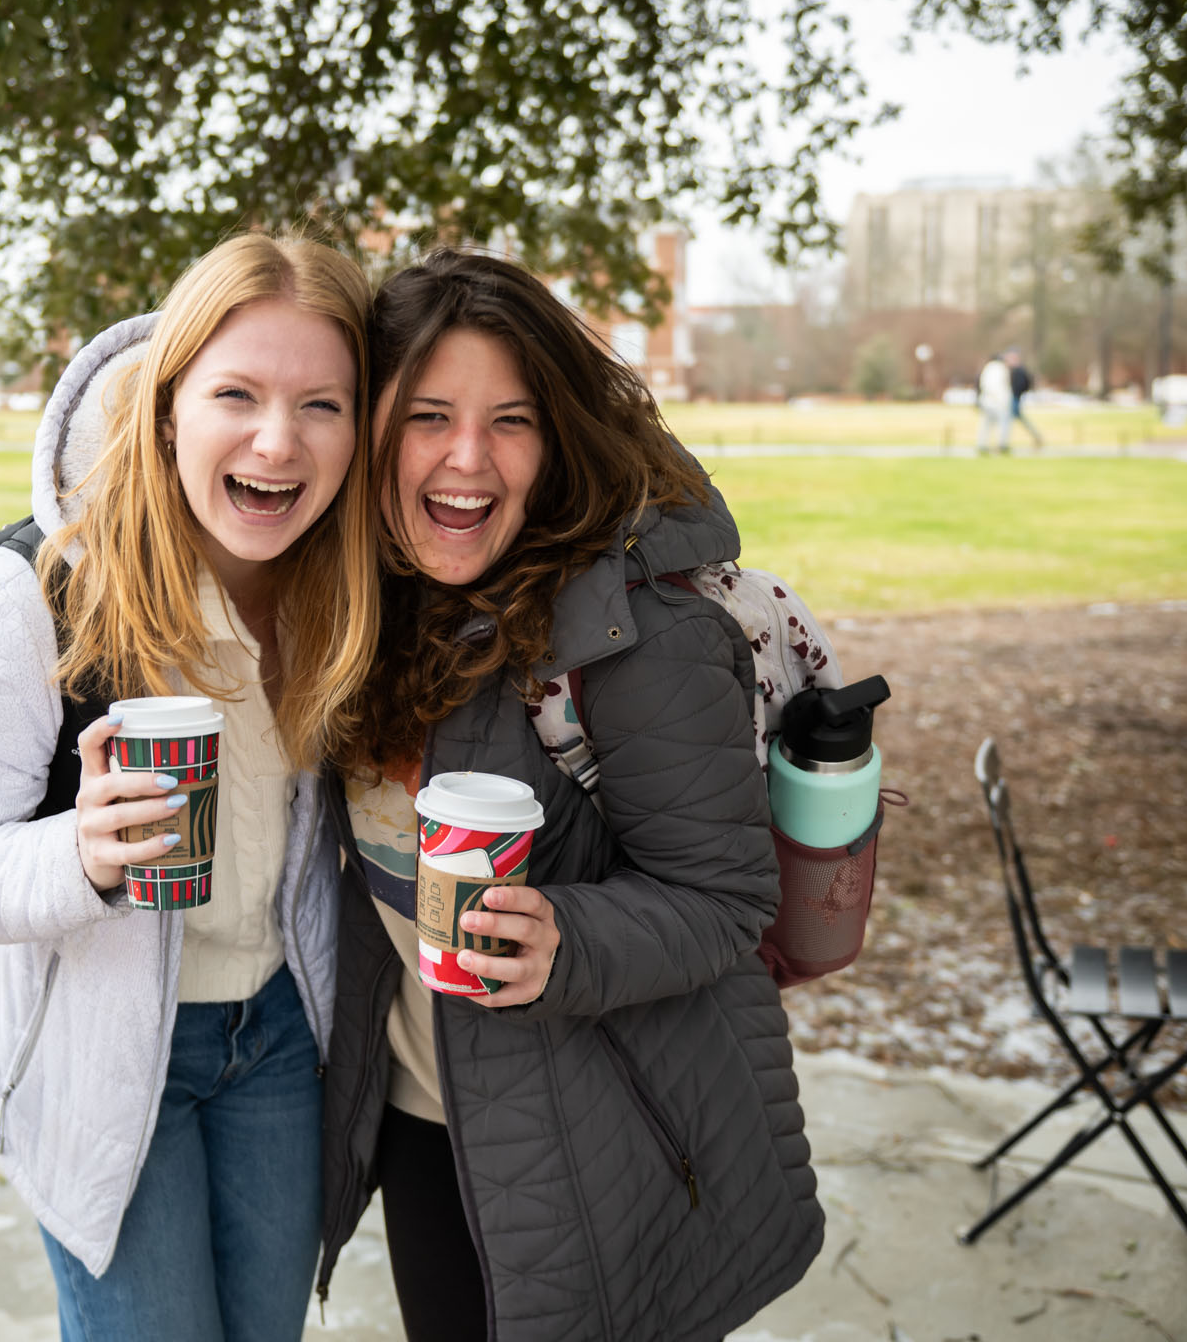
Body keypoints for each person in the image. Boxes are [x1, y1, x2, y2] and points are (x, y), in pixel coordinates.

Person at [0, 232, 380, 1342]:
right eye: (235, 393)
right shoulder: (33, 593)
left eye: (322, 405)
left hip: (283, 1037)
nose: (276, 439)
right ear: (166, 409)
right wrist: (81, 852)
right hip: (106, 1061)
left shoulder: (340, 592)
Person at [317, 249, 823, 1341]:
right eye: (428, 415)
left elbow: (727, 895)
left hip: (614, 1133)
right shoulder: (361, 606)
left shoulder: (634, 630)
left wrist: (570, 939)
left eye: (512, 419)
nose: (468, 458)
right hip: (426, 1110)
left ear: (559, 438)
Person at [1004, 350, 1044, 450]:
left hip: (1015, 398)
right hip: (1015, 397)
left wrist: (1016, 392)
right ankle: (1036, 436)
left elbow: (1023, 385)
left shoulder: (1019, 371)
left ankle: (1004, 442)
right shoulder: (1016, 370)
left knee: (1009, 420)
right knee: (1013, 420)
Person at [975, 350, 1012, 454]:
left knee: (985, 424)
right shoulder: (1000, 368)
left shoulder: (987, 368)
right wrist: (1003, 401)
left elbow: (982, 384)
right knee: (1002, 424)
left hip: (986, 400)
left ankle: (982, 444)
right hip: (997, 402)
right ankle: (1002, 445)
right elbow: (1000, 387)